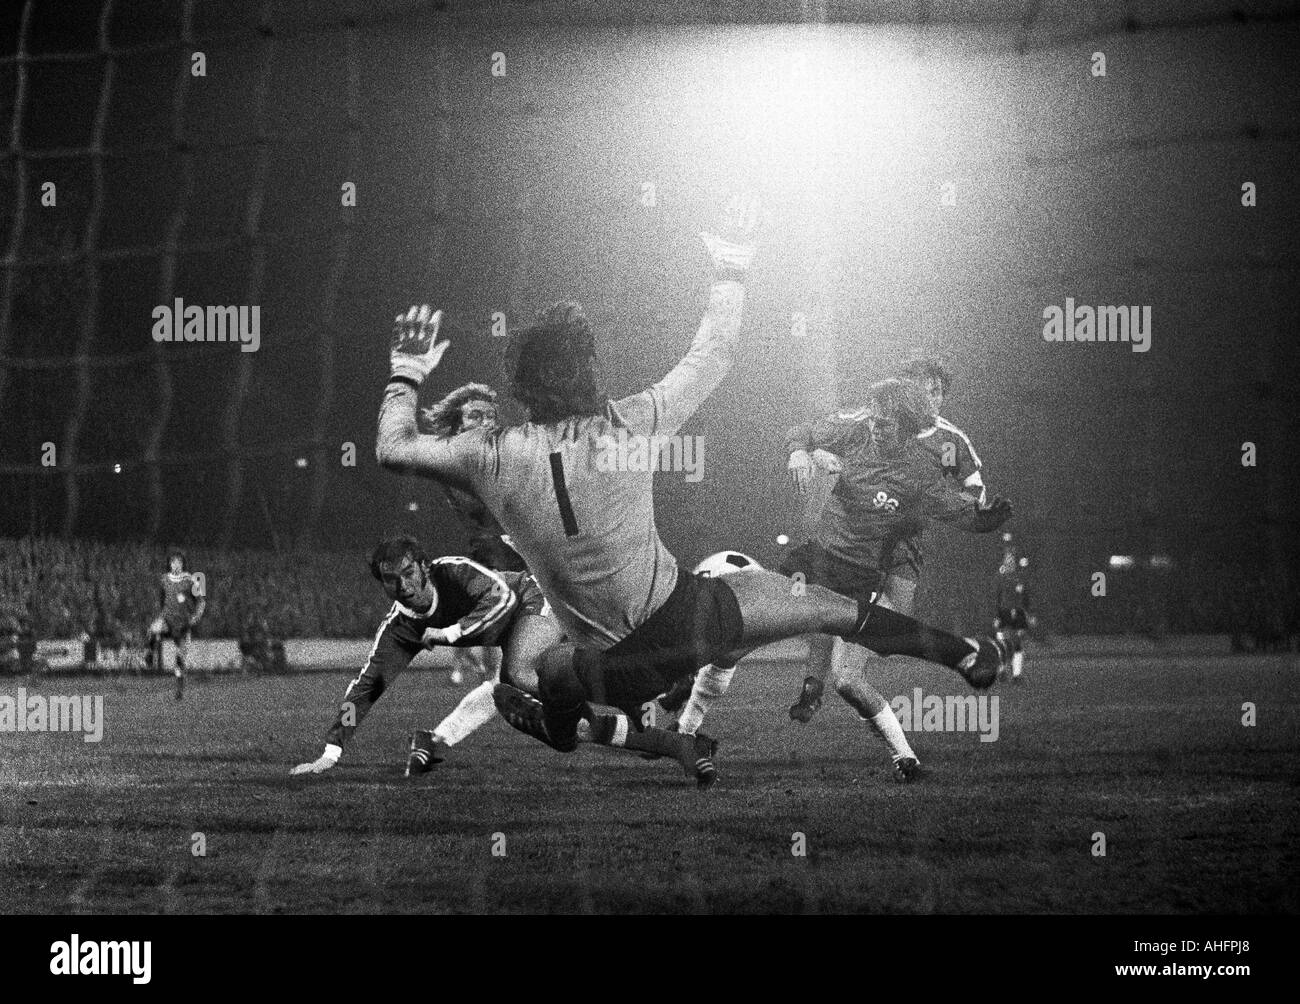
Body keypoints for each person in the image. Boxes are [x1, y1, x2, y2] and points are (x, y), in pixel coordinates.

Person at [373, 202, 1011, 763]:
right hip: (687, 620)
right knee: (827, 607)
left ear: (520, 384)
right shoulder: (629, 423)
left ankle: (559, 727)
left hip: (614, 669)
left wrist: (406, 369)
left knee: (542, 672)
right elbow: (715, 353)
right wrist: (731, 266)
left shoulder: (492, 454)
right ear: (588, 369)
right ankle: (965, 654)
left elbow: (393, 447)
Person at [678, 377, 1010, 781]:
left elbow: (968, 515)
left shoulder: (920, 478)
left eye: (885, 423)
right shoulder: (854, 430)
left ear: (906, 427)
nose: (875, 427)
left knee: (849, 681)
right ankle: (683, 728)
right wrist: (800, 454)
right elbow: (800, 431)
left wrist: (990, 518)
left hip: (857, 581)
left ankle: (906, 759)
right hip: (812, 566)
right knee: (734, 641)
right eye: (874, 419)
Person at [290, 535, 716, 785]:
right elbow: (364, 690)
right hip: (517, 634)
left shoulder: (454, 572)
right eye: (389, 580)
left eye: (407, 573)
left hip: (536, 601)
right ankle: (677, 741)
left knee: (518, 676)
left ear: (423, 566)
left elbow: (501, 599)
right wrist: (331, 750)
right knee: (569, 730)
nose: (402, 585)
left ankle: (651, 690)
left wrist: (450, 633)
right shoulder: (399, 630)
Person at [420, 383, 526, 685]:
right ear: (459, 424)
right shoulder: (455, 460)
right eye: (475, 416)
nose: (486, 422)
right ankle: (489, 678)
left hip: (522, 547)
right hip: (494, 550)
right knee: (497, 617)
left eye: (490, 415)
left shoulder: (505, 451)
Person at [146, 550, 205, 700]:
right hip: (167, 619)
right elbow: (161, 599)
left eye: (179, 562)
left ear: (183, 564)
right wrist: (162, 613)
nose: (176, 564)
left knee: (180, 658)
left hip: (183, 623)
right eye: (173, 562)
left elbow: (201, 601)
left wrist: (196, 616)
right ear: (170, 564)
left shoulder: (191, 579)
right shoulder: (164, 579)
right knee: (153, 629)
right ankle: (150, 654)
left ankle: (179, 690)